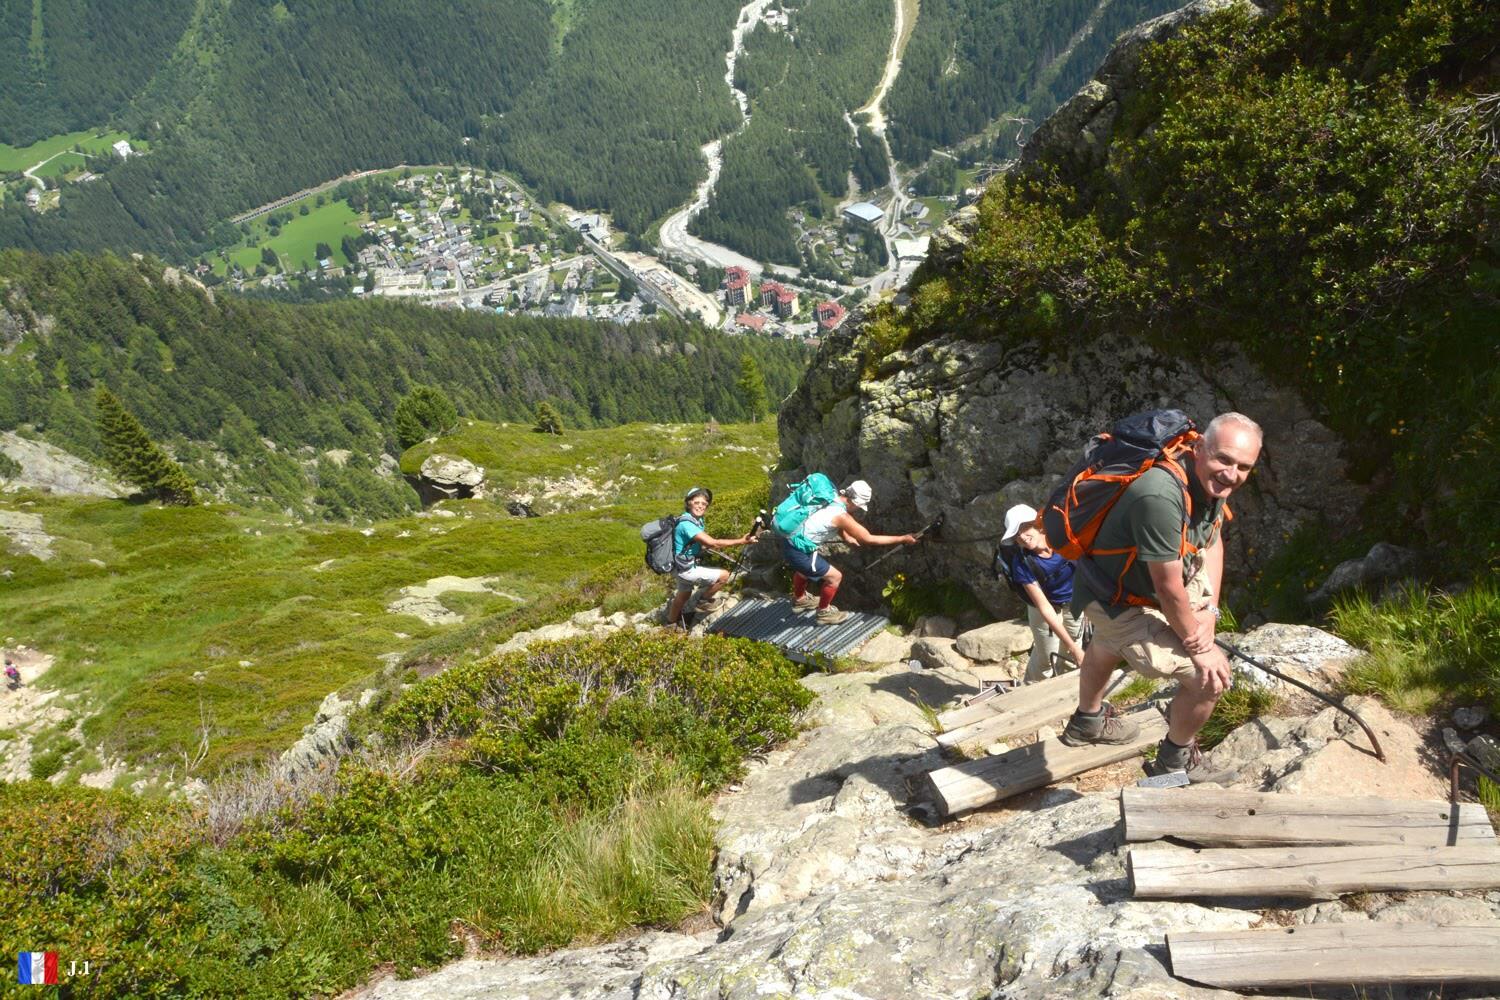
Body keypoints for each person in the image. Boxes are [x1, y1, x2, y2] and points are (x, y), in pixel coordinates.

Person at [1059, 412, 1263, 776]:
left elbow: (1213, 541)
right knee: (1208, 681)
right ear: (1199, 448)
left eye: (1244, 467)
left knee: (1107, 643)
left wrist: (1210, 611)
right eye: (1224, 459)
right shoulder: (1160, 495)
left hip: (1123, 584)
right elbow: (1169, 590)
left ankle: (1086, 722)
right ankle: (1173, 761)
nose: (1232, 474)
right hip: (1112, 597)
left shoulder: (1208, 483)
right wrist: (1201, 647)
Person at [784, 479, 920, 625]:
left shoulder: (831, 498)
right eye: (859, 507)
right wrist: (903, 538)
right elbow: (868, 538)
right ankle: (824, 612)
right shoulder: (843, 517)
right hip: (799, 551)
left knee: (804, 570)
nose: (858, 509)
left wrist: (847, 537)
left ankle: (800, 599)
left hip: (790, 540)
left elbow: (833, 524)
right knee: (835, 577)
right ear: (855, 502)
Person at [999, 503, 1086, 683]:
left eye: (1024, 528)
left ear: (1038, 524)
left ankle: (1071, 688)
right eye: (1016, 535)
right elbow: (1044, 607)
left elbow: (1085, 566)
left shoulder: (1063, 538)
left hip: (1074, 602)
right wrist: (1073, 648)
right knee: (1046, 658)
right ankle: (1030, 689)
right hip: (1045, 610)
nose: (1022, 537)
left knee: (1071, 653)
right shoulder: (1021, 563)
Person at [664, 487, 754, 628]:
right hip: (686, 569)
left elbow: (694, 542)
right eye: (697, 502)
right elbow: (713, 543)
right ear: (689, 503)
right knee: (724, 576)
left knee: (684, 595)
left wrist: (702, 547)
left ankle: (670, 623)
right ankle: (703, 602)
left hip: (679, 566)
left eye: (704, 504)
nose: (701, 506)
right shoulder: (687, 525)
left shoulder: (694, 520)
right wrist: (742, 541)